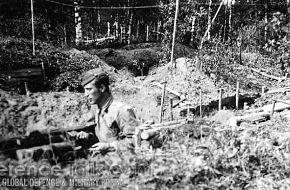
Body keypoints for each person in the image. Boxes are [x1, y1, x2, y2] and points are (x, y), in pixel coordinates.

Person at [76, 69, 139, 155]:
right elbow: (104, 137)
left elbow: (136, 140)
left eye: (89, 89)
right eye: (85, 90)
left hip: (122, 163)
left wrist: (110, 146)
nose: (85, 94)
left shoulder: (121, 110)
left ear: (102, 88)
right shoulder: (96, 109)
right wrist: (88, 137)